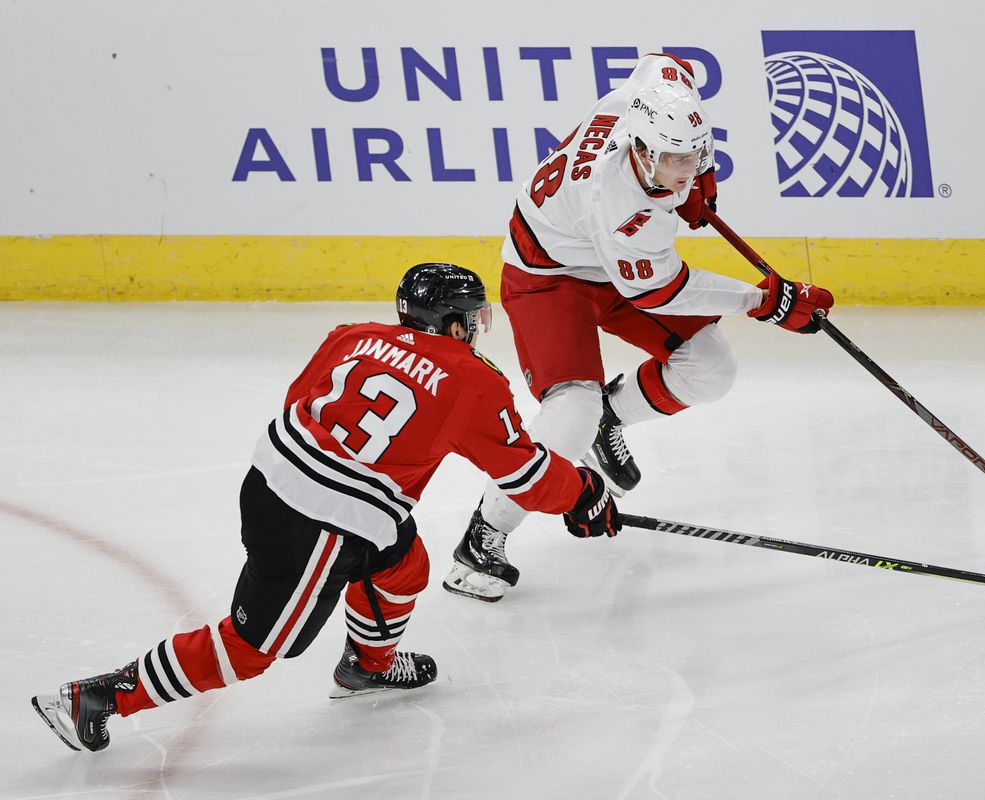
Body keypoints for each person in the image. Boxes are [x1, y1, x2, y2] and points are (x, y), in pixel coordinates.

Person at [30, 262, 620, 753]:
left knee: (402, 560)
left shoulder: (352, 334)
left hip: (269, 484)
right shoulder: (472, 379)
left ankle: (368, 666)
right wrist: (585, 495)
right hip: (323, 523)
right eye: (474, 317)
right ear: (458, 321)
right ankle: (101, 695)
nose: (477, 329)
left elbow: (301, 401)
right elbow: (526, 475)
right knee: (256, 647)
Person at [442, 53, 835, 603]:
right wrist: (765, 301)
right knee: (570, 413)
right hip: (549, 278)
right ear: (642, 151)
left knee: (712, 369)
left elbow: (665, 61)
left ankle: (612, 416)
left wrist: (700, 177)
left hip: (612, 264)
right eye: (675, 159)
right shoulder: (620, 203)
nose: (687, 167)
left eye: (696, 154)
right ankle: (484, 538)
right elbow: (659, 289)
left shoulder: (650, 101)